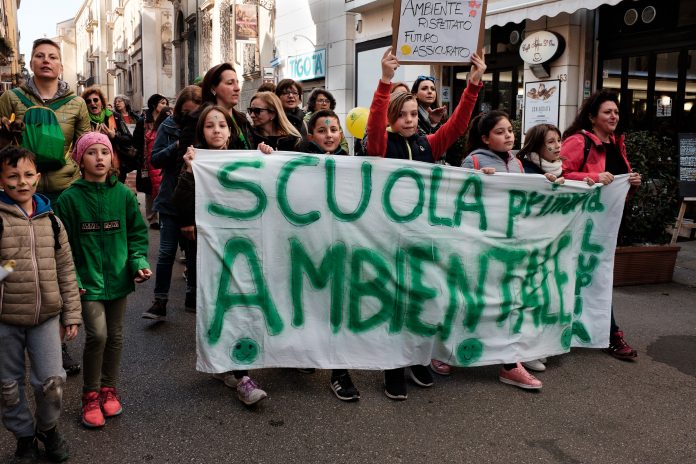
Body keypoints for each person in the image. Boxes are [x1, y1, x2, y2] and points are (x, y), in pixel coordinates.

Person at [366, 47, 485, 400]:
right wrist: (385, 80)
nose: (409, 119)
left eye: (413, 114)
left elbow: (458, 126)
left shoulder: (427, 145)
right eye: (401, 115)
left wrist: (473, 85)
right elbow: (374, 121)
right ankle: (392, 367)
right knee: (394, 303)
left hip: (423, 237)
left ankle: (418, 357)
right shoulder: (379, 144)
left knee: (422, 300)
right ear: (390, 118)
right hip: (388, 238)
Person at [0, 37, 90, 380]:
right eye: (40, 56)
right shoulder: (11, 98)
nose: (46, 61)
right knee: (20, 260)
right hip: (22, 196)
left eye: (53, 56)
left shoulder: (76, 103)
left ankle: (58, 340)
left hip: (65, 190)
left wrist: (82, 177)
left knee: (59, 261)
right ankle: (15, 328)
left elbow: (84, 144)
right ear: (32, 63)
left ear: (61, 65)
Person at [54, 132, 151, 429]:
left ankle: (109, 389)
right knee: (98, 335)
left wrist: (138, 262)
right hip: (86, 281)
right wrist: (72, 279)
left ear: (112, 159)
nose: (99, 158)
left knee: (116, 335)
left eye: (104, 152)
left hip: (118, 278)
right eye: (92, 152)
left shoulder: (122, 194)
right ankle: (90, 395)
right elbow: (61, 245)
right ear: (80, 159)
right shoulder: (69, 199)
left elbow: (137, 234)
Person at [172, 105, 268, 406]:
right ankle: (224, 364)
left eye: (222, 125)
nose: (216, 130)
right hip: (209, 247)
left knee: (240, 306)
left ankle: (241, 375)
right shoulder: (196, 162)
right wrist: (188, 172)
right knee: (218, 306)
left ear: (230, 131)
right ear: (201, 132)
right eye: (210, 126)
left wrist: (267, 157)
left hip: (242, 247)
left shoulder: (245, 157)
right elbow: (179, 204)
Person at [0, 145, 81, 462]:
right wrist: (6, 269)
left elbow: (66, 269)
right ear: (1, 180)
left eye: (28, 174)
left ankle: (47, 429)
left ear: (38, 177)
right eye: (12, 176)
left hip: (46, 317)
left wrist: (71, 312)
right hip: (5, 319)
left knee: (52, 382)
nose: (21, 182)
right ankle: (23, 437)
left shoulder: (52, 221)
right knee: (8, 386)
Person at [561, 90, 642, 360]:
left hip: (603, 226)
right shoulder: (577, 141)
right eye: (608, 112)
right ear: (592, 117)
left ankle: (593, 331)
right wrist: (593, 176)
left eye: (616, 112)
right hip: (579, 224)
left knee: (595, 275)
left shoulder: (617, 143)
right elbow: (559, 176)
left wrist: (630, 185)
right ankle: (611, 334)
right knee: (592, 276)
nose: (613, 116)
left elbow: (616, 187)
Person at [142, 86, 202, 320]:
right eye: (185, 113)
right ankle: (160, 300)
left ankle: (193, 294)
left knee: (196, 252)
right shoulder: (168, 126)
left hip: (197, 198)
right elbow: (155, 159)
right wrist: (177, 146)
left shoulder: (206, 125)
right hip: (170, 198)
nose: (189, 118)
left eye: (194, 114)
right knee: (166, 252)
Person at [81, 86, 136, 182]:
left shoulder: (115, 117)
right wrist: (92, 139)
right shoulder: (82, 120)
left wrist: (114, 136)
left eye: (95, 100)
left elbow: (129, 139)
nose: (92, 103)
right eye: (88, 101)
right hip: (92, 168)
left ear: (101, 102)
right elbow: (78, 145)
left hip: (116, 166)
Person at [134, 93, 168, 229]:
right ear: (154, 104)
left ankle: (164, 216)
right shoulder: (143, 121)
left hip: (163, 157)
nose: (165, 106)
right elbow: (136, 140)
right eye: (162, 103)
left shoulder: (167, 119)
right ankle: (152, 218)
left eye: (166, 103)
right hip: (146, 160)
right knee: (149, 190)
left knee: (163, 187)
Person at [303, 89, 349, 153]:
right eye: (320, 101)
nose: (324, 104)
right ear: (313, 103)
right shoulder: (305, 121)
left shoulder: (333, 120)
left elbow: (343, 144)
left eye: (327, 101)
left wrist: (340, 154)